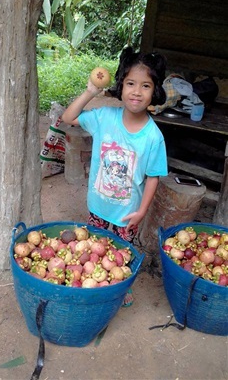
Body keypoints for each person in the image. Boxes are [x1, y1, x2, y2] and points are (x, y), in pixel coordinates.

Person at [62, 46, 168, 305]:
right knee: (93, 248)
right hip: (98, 205)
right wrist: (90, 91)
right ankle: (93, 283)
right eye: (131, 83)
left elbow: (153, 177)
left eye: (146, 85)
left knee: (121, 254)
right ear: (121, 85)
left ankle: (119, 286)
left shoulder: (153, 137)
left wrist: (142, 211)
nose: (136, 91)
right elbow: (68, 117)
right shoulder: (103, 118)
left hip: (127, 213)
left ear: (154, 91)